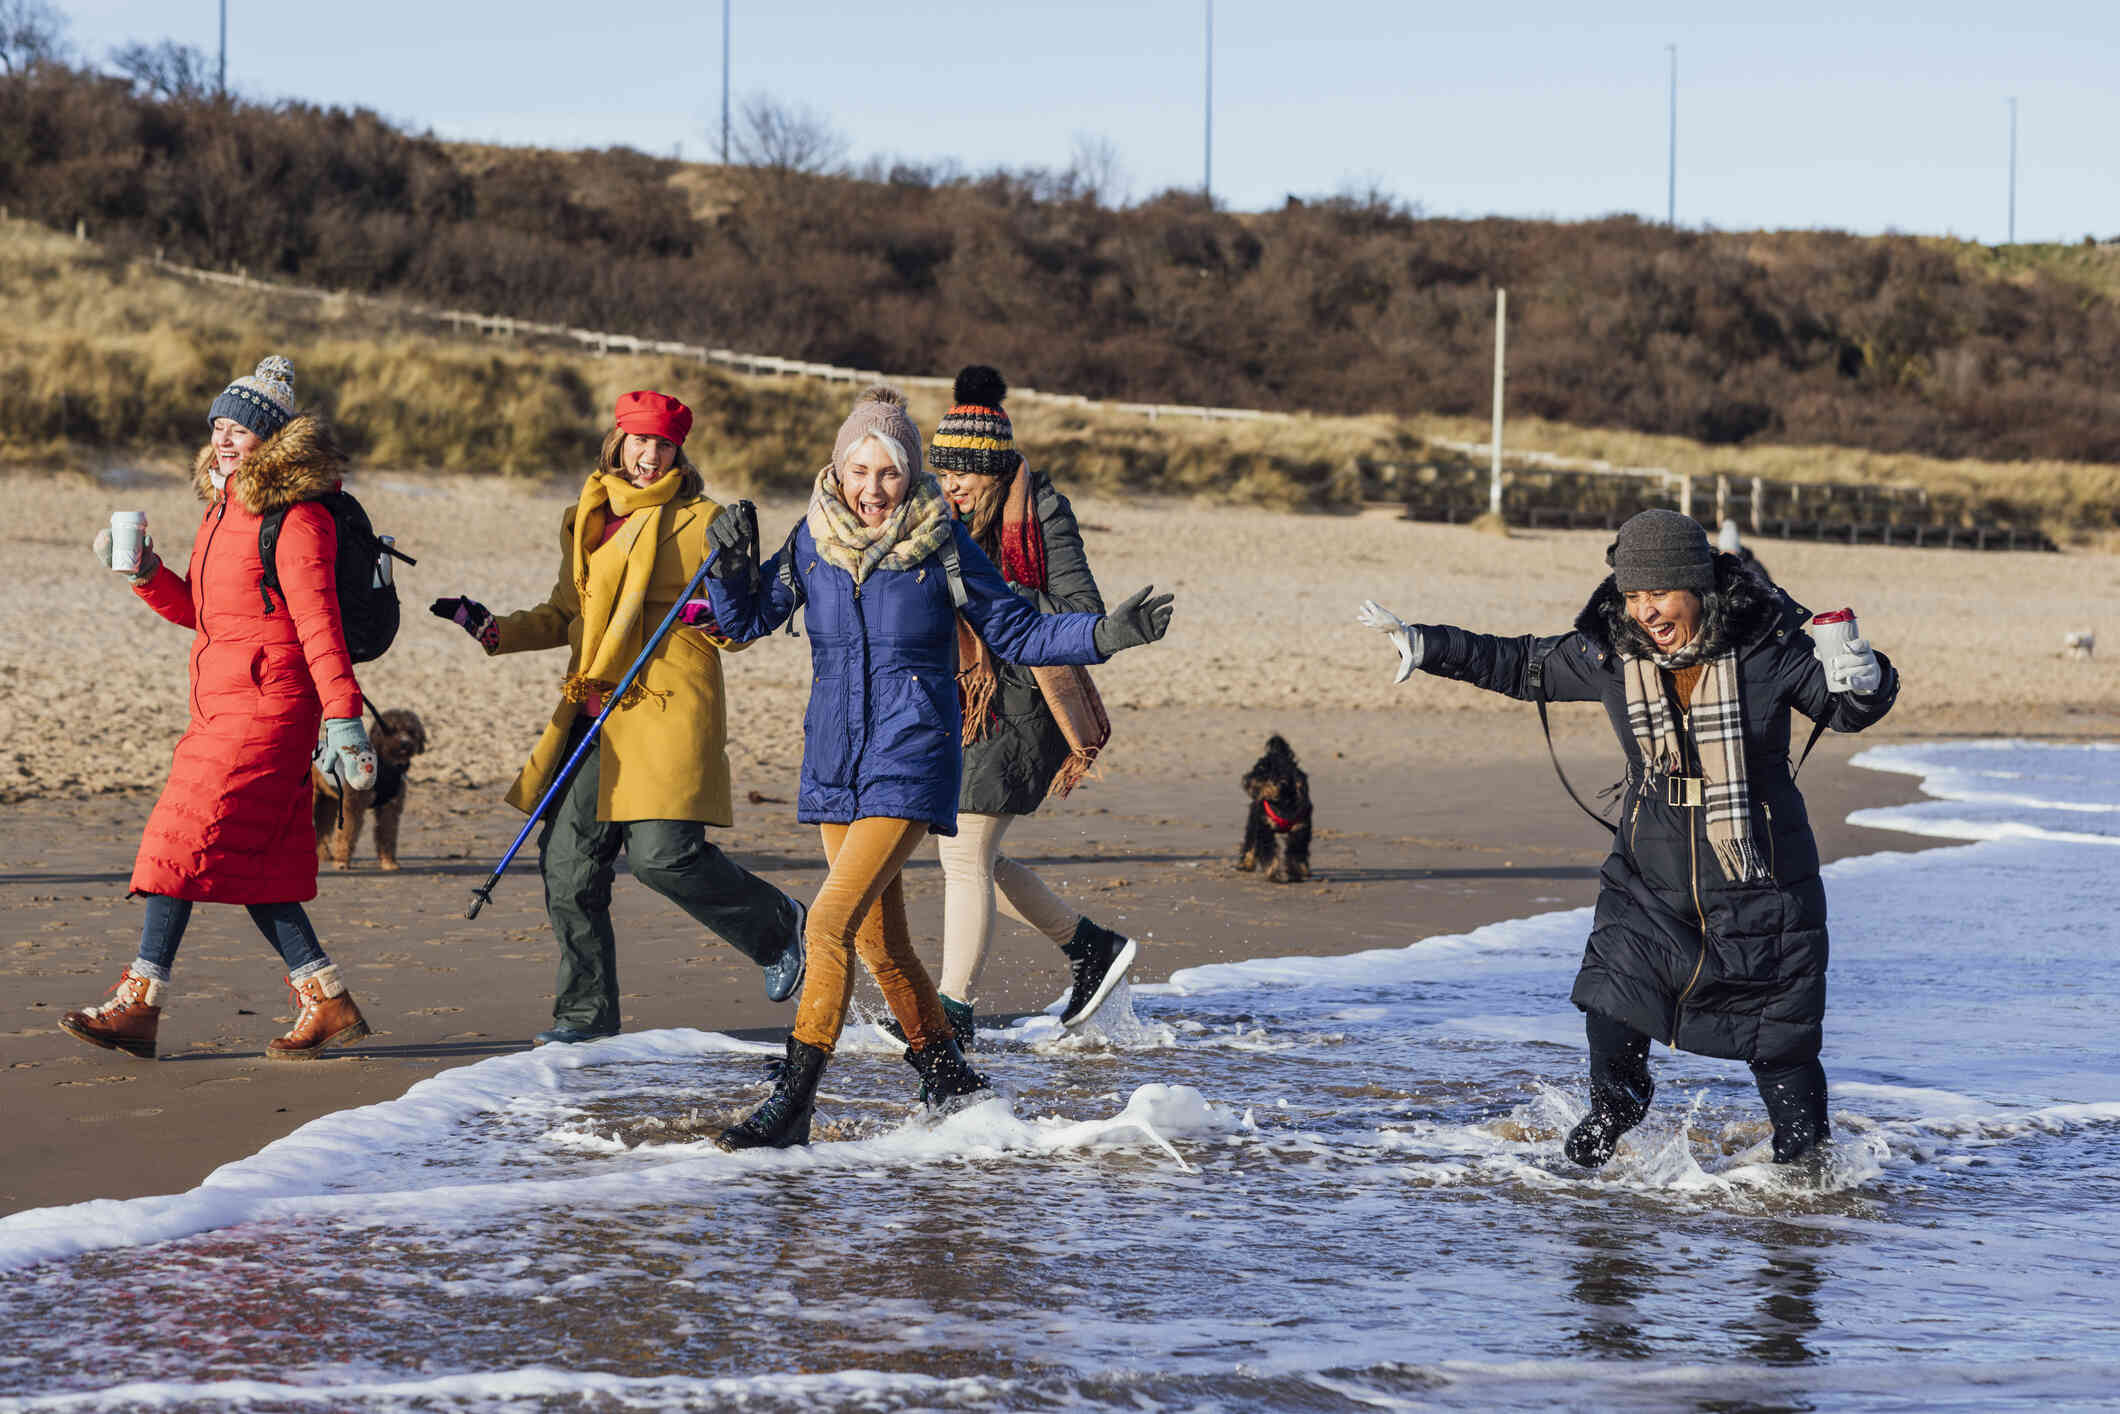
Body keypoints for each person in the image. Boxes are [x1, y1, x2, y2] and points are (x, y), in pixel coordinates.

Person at [700, 384, 1175, 1150]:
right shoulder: (813, 540)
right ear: (839, 469)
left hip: (913, 756)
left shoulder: (944, 542)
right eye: (859, 471)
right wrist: (727, 568)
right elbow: (745, 621)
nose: (872, 489)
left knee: (826, 923)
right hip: (834, 763)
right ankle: (951, 1080)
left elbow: (1017, 629)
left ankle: (792, 1104)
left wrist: (1105, 635)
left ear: (909, 471)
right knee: (880, 945)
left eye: (887, 472)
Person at [1357, 508, 1898, 1167]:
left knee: (1778, 1039)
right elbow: (1523, 663)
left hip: (1759, 881)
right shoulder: (1611, 652)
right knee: (1614, 992)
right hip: (1649, 872)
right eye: (1635, 595)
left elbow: (1842, 704)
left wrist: (1868, 679)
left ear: (1697, 587)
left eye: (1661, 594)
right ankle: (1615, 1109)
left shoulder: (1767, 647)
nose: (1648, 611)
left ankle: (1809, 1169)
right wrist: (1427, 644)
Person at [429, 390, 807, 1046]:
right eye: (639, 440)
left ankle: (777, 927)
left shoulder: (703, 519)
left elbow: (738, 630)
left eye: (663, 444)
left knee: (664, 859)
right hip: (595, 714)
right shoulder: (586, 516)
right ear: (618, 440)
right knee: (569, 870)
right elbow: (565, 612)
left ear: (678, 450)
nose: (650, 455)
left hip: (667, 710)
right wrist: (490, 629)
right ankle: (586, 1017)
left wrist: (720, 593)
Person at [63, 357, 378, 1062]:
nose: (228, 439)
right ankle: (327, 1002)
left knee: (177, 845)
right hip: (219, 705)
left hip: (272, 709)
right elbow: (209, 617)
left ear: (276, 441)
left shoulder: (296, 519)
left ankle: (139, 1003)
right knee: (251, 867)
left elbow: (320, 626)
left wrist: (344, 719)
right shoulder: (222, 509)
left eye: (244, 429)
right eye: (221, 426)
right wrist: (146, 572)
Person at [923, 365, 1136, 1048]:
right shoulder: (938, 516)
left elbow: (1081, 611)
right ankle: (1089, 947)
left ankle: (950, 1016)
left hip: (1027, 696)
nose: (950, 483)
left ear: (993, 469)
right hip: (962, 695)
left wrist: (991, 592)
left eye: (963, 472)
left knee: (962, 854)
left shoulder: (1043, 509)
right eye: (942, 470)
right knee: (968, 855)